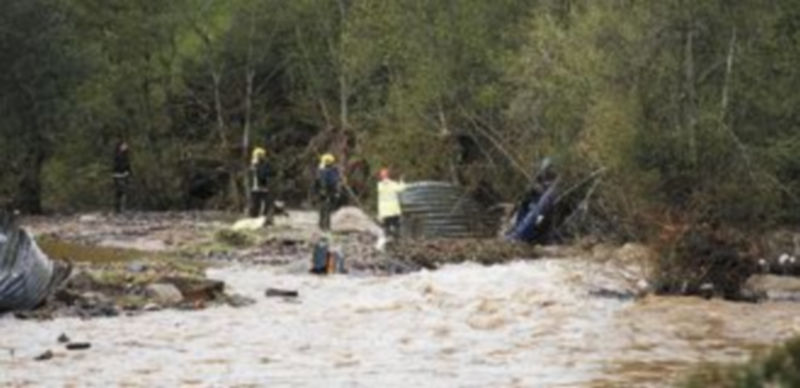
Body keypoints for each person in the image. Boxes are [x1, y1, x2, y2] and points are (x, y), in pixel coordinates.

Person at [377, 168, 407, 238]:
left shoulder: (380, 186)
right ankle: (395, 240)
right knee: (395, 226)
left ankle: (388, 240)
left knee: (386, 227)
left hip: (385, 211)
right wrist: (402, 180)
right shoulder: (392, 184)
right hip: (393, 210)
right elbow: (401, 188)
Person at [315, 153, 341, 231]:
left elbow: (335, 181)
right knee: (325, 209)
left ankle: (324, 225)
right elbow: (322, 182)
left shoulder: (326, 170)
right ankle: (324, 226)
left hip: (327, 191)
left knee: (325, 209)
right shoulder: (326, 171)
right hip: (326, 191)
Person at [249, 147, 273, 222]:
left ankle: (266, 218)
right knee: (254, 204)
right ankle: (253, 218)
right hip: (254, 188)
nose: (256, 157)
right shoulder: (252, 164)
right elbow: (250, 176)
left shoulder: (266, 164)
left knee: (266, 204)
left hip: (264, 187)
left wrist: (257, 168)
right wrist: (253, 167)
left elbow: (265, 175)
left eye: (258, 156)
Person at [112, 141, 132, 213]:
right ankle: (119, 209)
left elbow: (128, 166)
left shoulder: (125, 156)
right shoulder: (118, 156)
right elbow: (117, 166)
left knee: (122, 192)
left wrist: (128, 172)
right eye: (124, 145)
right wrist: (125, 171)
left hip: (124, 175)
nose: (126, 146)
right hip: (118, 175)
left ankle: (120, 208)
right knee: (120, 191)